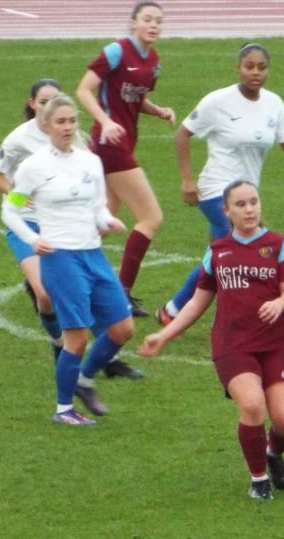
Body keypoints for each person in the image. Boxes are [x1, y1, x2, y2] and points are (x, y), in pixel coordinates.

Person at [138, 180, 284, 501]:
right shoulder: (217, 252)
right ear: (226, 211)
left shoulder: (280, 244)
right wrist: (165, 334)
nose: (250, 209)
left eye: (254, 202)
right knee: (253, 406)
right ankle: (258, 480)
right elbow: (199, 301)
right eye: (240, 204)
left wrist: (280, 304)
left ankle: (270, 452)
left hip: (277, 343)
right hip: (232, 344)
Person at [0, 78, 143, 380]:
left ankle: (111, 360)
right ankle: (59, 345)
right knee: (46, 295)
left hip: (67, 228)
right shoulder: (19, 138)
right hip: (30, 224)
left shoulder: (72, 137)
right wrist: (20, 196)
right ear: (33, 105)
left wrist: (101, 217)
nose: (49, 107)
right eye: (43, 102)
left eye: (54, 101)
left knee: (87, 290)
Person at [154, 42, 284, 326]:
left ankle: (173, 310)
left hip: (246, 194)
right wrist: (187, 180)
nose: (255, 72)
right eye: (249, 66)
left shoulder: (274, 104)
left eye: (261, 67)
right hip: (216, 190)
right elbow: (182, 135)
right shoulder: (218, 101)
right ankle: (249, 312)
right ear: (238, 68)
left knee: (217, 258)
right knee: (245, 244)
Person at [76, 0, 176, 318]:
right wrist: (105, 121)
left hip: (123, 144)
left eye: (158, 21)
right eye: (147, 19)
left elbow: (136, 97)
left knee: (104, 220)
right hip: (110, 146)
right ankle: (121, 293)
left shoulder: (154, 61)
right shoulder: (116, 51)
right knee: (151, 218)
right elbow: (84, 89)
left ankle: (63, 273)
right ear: (133, 23)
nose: (153, 25)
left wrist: (158, 111)